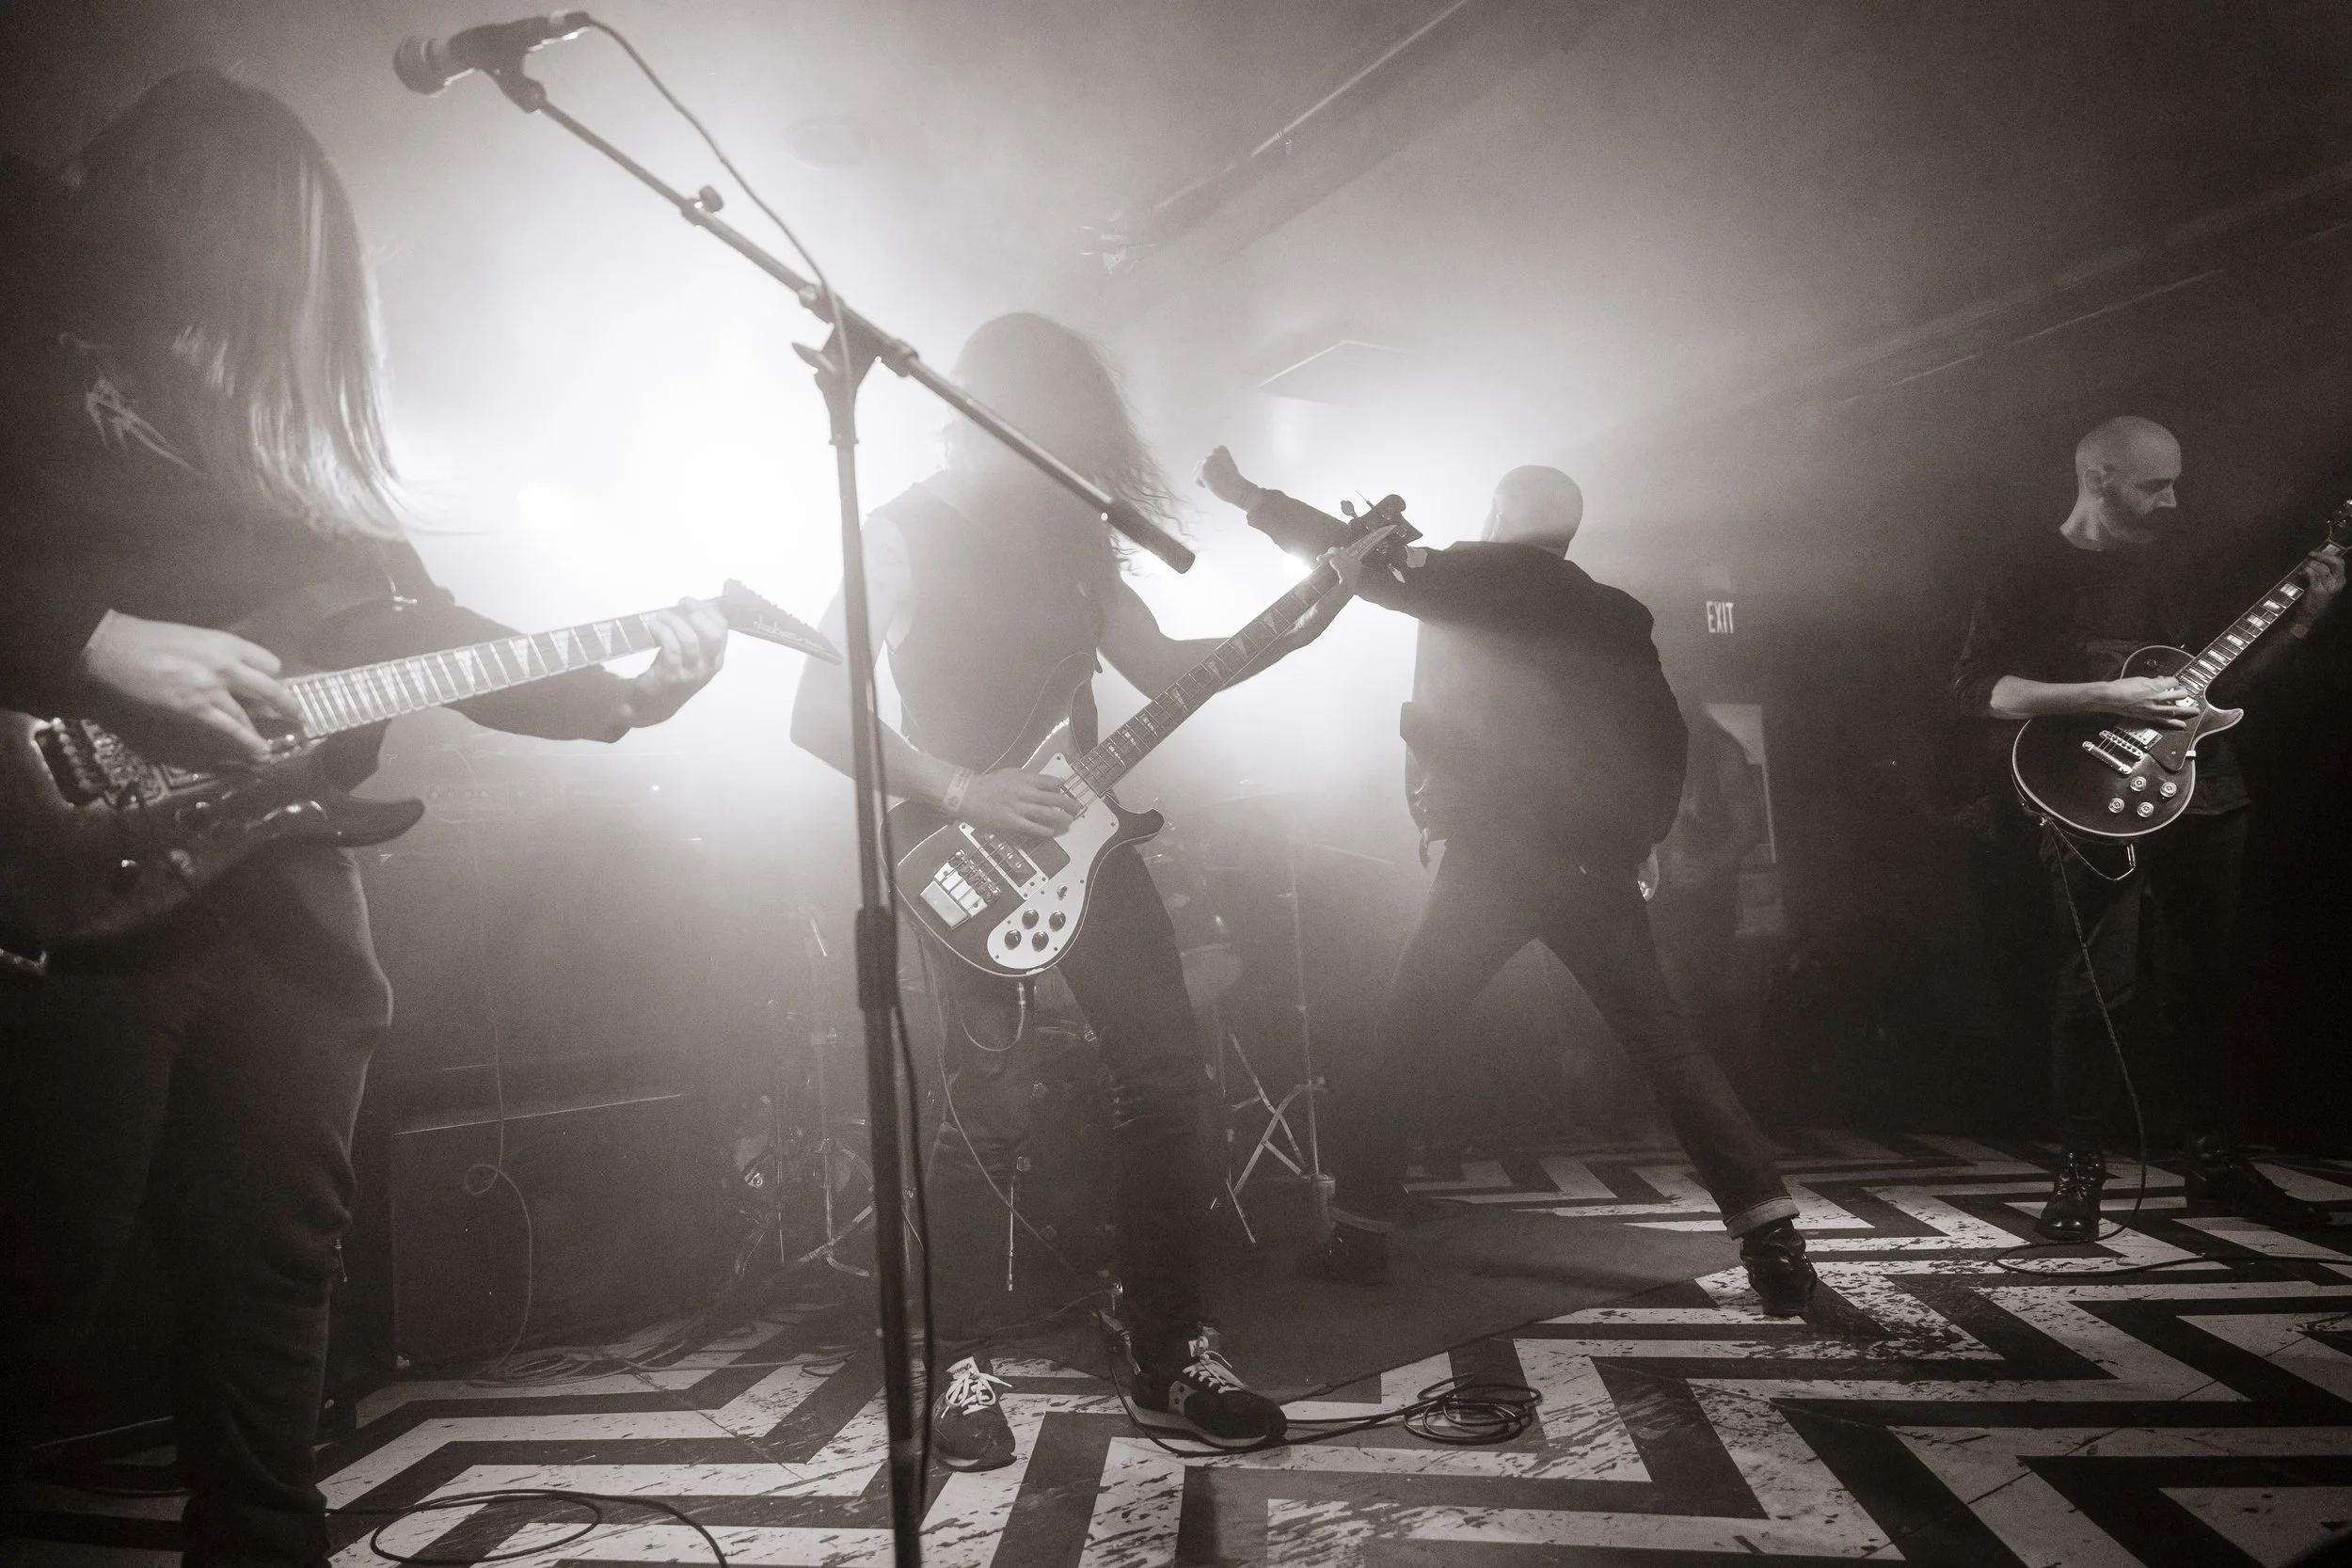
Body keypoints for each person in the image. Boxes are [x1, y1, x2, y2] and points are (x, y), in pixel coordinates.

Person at [0, 71, 732, 1566]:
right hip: (57, 858)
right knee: (36, 1274)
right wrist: (88, 637)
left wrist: (621, 692)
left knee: (281, 1264)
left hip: (282, 892)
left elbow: (424, 626)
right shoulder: (28, 306)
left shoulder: (288, 435)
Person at [790, 314, 1330, 1469]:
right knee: (981, 1100)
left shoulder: (1081, 541)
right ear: (988, 413)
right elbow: (814, 707)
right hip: (953, 843)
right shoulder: (902, 529)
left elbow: (1166, 665)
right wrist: (959, 785)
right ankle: (956, 1359)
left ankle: (1168, 1343)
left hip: (1088, 837)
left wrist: (1291, 623)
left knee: (1167, 1080)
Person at [1198, 451, 1818, 1317]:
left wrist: (1253, 499)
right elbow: (1663, 734)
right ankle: (1774, 1243)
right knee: (1668, 1045)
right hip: (1592, 862)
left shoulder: (1477, 575)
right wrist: (1638, 837)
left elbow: (1353, 555)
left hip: (1495, 859)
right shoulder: (1612, 613)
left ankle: (1360, 1235)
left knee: (1401, 1041)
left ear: (1498, 514)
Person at [1952, 415, 2343, 1241]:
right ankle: (2082, 1170)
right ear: (2098, 477)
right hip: (2087, 794)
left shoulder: (2181, 561)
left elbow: (2220, 687)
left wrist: (2307, 619)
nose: (2173, 500)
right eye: (2153, 485)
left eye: (2175, 482)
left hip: (2205, 792)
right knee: (2097, 986)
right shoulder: (2025, 570)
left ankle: (2215, 1163)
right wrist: (2109, 698)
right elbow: (1982, 691)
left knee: (2205, 983)